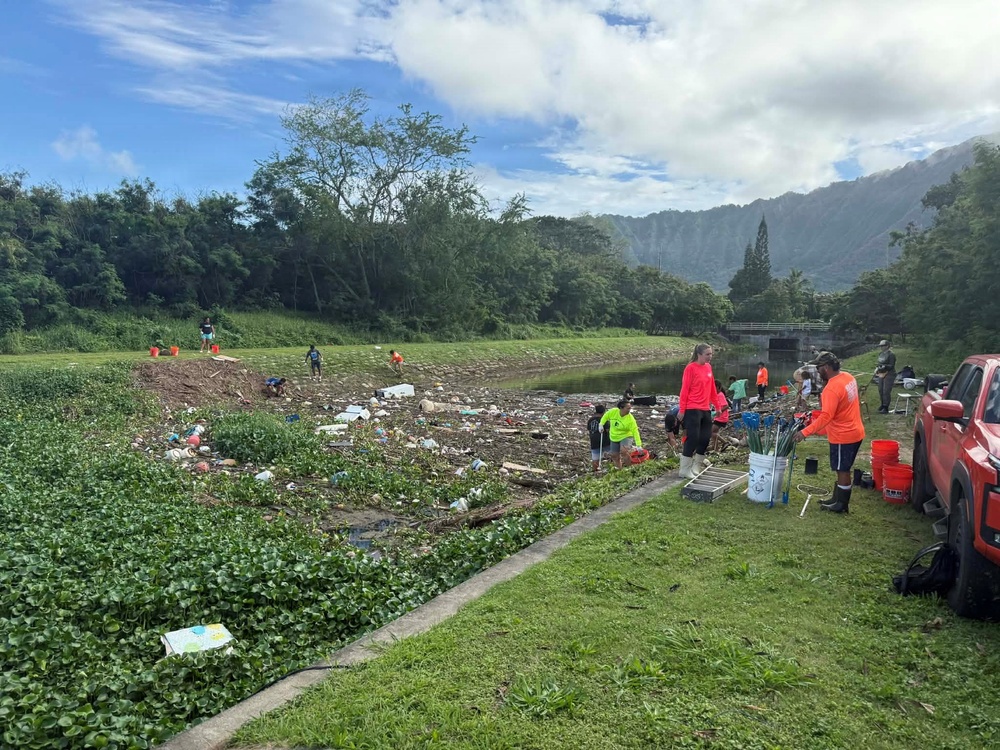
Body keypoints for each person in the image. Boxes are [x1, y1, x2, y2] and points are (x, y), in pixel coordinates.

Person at [793, 351, 865, 513]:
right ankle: (836, 498)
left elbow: (826, 416)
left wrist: (804, 432)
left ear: (826, 367)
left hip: (844, 436)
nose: (818, 372)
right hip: (855, 430)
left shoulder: (831, 389)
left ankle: (842, 505)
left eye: (819, 368)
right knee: (841, 468)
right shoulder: (848, 377)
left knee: (842, 469)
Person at [678, 343, 715, 478]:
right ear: (699, 354)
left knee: (705, 438)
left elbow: (712, 388)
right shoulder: (690, 368)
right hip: (692, 407)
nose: (710, 357)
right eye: (707, 354)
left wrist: (717, 404)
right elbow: (684, 390)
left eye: (711, 354)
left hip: (705, 408)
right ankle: (684, 469)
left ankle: (696, 465)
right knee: (693, 438)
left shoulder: (709, 367)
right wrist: (682, 410)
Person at [599, 399, 643, 470]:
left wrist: (638, 445)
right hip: (614, 436)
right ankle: (619, 469)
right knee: (614, 455)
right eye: (628, 408)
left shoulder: (630, 419)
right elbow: (605, 416)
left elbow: (635, 431)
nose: (629, 410)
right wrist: (601, 424)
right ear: (621, 408)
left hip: (626, 435)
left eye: (630, 408)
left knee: (624, 451)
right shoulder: (613, 412)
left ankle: (629, 468)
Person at [587, 404, 611, 472]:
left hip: (593, 441)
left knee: (595, 457)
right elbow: (607, 430)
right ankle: (616, 466)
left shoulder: (590, 420)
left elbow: (589, 429)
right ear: (603, 412)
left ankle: (595, 471)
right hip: (604, 440)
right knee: (614, 453)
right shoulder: (604, 420)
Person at [875, 339, 897, 414]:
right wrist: (878, 367)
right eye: (881, 346)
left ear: (887, 346)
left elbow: (891, 365)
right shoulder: (881, 354)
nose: (881, 347)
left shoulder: (891, 355)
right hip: (881, 373)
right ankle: (882, 404)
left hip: (889, 374)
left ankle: (886, 407)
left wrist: (884, 366)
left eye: (883, 346)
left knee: (886, 391)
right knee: (880, 389)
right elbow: (879, 362)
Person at [710, 379, 730, 452]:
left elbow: (726, 406)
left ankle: (725, 442)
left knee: (711, 432)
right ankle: (716, 449)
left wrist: (718, 412)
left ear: (718, 387)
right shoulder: (716, 395)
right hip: (718, 417)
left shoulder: (720, 395)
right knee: (714, 433)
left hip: (721, 418)